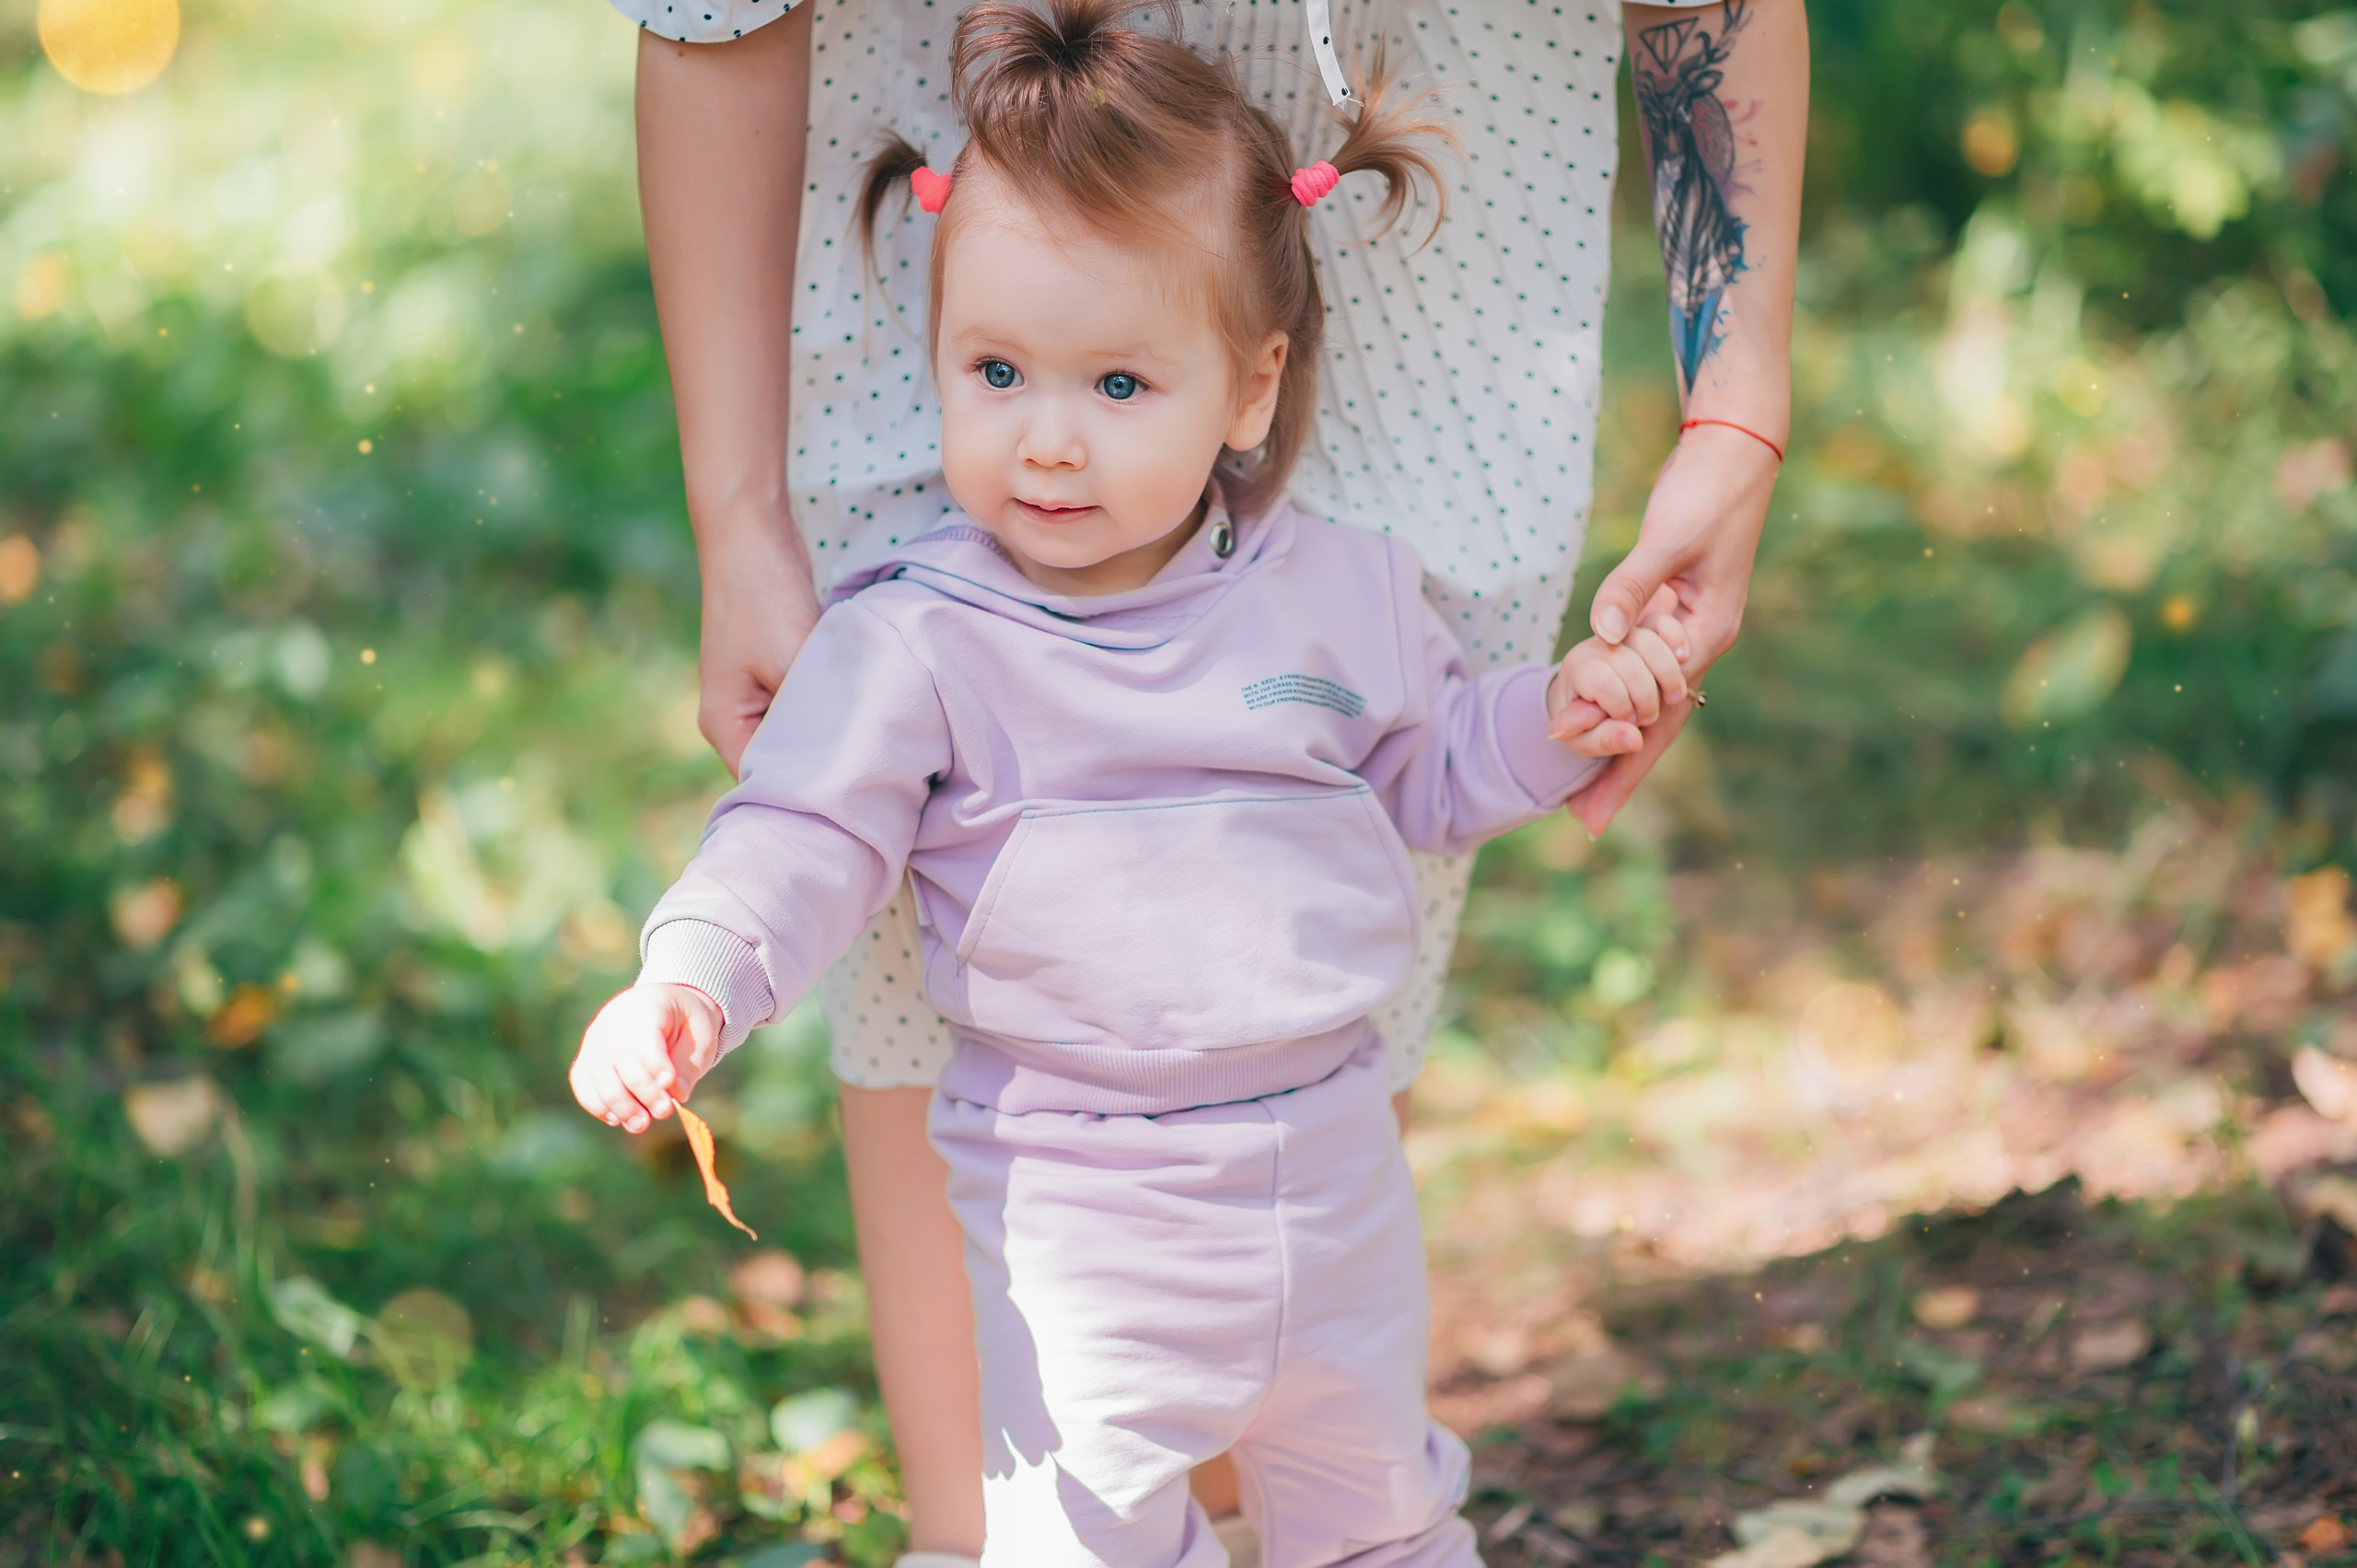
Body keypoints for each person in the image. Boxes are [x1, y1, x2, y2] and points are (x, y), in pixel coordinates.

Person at [611, 0, 1805, 1557]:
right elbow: (802, 827)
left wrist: (1566, 714)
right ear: (934, 357)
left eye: (1119, 388)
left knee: (1383, 1523)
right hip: (1084, 1236)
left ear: (1251, 392)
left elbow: (1435, 764)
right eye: (996, 373)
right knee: (1086, 1539)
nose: (1049, 443)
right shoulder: (912, 641)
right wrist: (694, 974)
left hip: (1334, 1200)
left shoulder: (1339, 592)